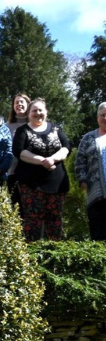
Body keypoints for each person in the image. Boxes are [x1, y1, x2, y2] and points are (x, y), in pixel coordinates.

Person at [13, 99, 71, 241]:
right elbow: (18, 151)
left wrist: (53, 159)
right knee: (32, 222)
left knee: (55, 221)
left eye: (41, 110)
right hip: (31, 184)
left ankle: (54, 256)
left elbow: (66, 147)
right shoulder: (22, 131)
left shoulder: (56, 128)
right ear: (29, 113)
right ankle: (33, 257)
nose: (38, 113)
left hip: (56, 184)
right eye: (34, 110)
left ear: (46, 112)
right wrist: (42, 161)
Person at [74, 102, 106, 241]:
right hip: (96, 193)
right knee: (98, 232)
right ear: (97, 118)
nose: (105, 118)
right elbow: (80, 161)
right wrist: (82, 179)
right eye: (102, 115)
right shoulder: (88, 138)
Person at [6, 93, 31, 208]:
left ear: (28, 105)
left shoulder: (33, 125)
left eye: (22, 102)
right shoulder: (6, 126)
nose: (19, 104)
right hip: (12, 171)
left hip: (31, 171)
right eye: (16, 102)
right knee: (16, 207)